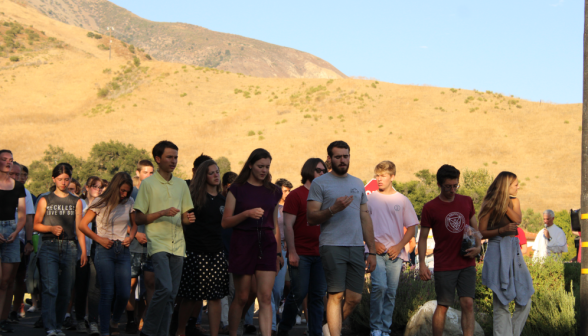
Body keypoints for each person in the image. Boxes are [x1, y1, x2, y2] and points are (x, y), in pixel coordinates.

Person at [307, 141, 377, 336]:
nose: (343, 160)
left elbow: (365, 217)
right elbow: (311, 217)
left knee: (354, 298)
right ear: (329, 159)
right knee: (336, 295)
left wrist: (371, 250)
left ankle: (328, 327)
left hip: (356, 246)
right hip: (331, 245)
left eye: (346, 156)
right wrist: (332, 209)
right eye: (338, 157)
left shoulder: (357, 183)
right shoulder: (320, 183)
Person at [134, 141, 195, 336]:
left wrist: (189, 218)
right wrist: (161, 213)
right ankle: (149, 330)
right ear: (158, 159)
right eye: (169, 157)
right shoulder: (148, 184)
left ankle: (162, 333)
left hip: (178, 245)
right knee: (165, 288)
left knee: (171, 295)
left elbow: (185, 216)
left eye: (175, 157)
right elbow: (138, 217)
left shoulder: (181, 184)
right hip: (158, 243)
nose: (173, 161)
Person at [222, 148, 283, 336]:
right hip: (242, 241)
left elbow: (274, 226)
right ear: (250, 165)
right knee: (241, 296)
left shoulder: (274, 191)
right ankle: (233, 332)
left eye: (267, 167)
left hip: (266, 243)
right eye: (260, 166)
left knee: (265, 296)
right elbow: (225, 222)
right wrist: (246, 214)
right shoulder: (237, 189)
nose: (264, 170)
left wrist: (279, 253)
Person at [418, 164, 481, 336]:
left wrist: (479, 246)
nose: (452, 190)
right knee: (444, 305)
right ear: (439, 185)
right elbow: (422, 238)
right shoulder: (430, 207)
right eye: (448, 186)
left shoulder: (466, 201)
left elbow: (475, 226)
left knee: (467, 303)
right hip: (444, 264)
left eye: (455, 186)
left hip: (466, 261)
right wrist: (422, 263)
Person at [80, 172, 138, 336]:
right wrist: (99, 239)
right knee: (107, 291)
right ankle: (104, 331)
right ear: (115, 187)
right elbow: (83, 225)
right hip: (104, 249)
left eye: (127, 191)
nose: (125, 194)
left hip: (123, 249)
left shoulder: (129, 202)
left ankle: (115, 321)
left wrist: (131, 237)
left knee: (124, 291)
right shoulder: (100, 202)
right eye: (122, 190)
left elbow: (134, 225)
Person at [176, 160, 229, 336]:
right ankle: (180, 331)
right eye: (211, 172)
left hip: (217, 252)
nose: (216, 175)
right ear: (202, 176)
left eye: (217, 172)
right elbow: (184, 222)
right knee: (191, 296)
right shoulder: (193, 197)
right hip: (195, 252)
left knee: (215, 297)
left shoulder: (223, 199)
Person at [34, 163, 86, 336]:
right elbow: (36, 224)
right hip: (49, 246)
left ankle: (58, 325)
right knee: (50, 288)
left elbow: (79, 228)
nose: (63, 182)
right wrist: (50, 228)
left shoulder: (76, 201)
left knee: (65, 289)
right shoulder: (45, 199)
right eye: (60, 179)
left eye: (66, 179)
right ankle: (49, 327)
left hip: (70, 247)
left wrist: (83, 250)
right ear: (53, 179)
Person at [367, 161, 419, 336]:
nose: (379, 179)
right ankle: (375, 327)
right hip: (375, 252)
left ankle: (385, 328)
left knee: (391, 292)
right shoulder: (369, 198)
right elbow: (361, 224)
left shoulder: (402, 200)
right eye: (377, 176)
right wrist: (373, 244)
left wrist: (399, 246)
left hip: (396, 254)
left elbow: (412, 227)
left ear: (392, 177)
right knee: (379, 287)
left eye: (383, 176)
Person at [277, 158, 327, 336]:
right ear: (308, 171)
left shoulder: (324, 195)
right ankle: (284, 327)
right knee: (298, 292)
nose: (323, 173)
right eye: (319, 170)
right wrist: (292, 252)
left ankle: (315, 332)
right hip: (301, 253)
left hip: (321, 253)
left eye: (324, 171)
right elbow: (287, 226)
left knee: (317, 295)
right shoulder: (295, 195)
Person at [479, 172, 533, 336]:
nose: (518, 187)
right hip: (496, 250)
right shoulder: (489, 203)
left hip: (513, 250)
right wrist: (501, 230)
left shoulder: (514, 201)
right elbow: (481, 232)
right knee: (501, 301)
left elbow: (517, 220)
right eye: (515, 184)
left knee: (526, 296)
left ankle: (512, 333)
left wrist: (503, 206)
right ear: (506, 185)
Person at [0, 151, 27, 333]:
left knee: (6, 281)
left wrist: (16, 231)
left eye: (10, 160)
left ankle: (2, 319)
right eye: (4, 160)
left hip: (12, 231)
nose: (8, 163)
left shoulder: (18, 186)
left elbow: (23, 214)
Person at [127, 159, 154, 334]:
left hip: (151, 246)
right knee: (130, 283)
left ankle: (146, 320)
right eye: (146, 172)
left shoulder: (156, 192)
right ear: (138, 173)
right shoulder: (131, 194)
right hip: (133, 246)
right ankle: (130, 319)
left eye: (152, 172)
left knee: (151, 285)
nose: (149, 175)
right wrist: (135, 234)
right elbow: (122, 219)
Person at [75, 176, 103, 335]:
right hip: (82, 249)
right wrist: (83, 251)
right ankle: (79, 318)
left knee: (95, 288)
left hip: (97, 250)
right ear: (87, 187)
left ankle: (93, 321)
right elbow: (79, 227)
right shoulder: (81, 203)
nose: (97, 189)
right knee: (81, 286)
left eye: (100, 187)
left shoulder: (103, 204)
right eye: (94, 186)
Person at [7, 162, 35, 324]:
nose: (18, 178)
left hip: (20, 239)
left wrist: (29, 241)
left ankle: (15, 309)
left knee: (18, 277)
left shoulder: (25, 193)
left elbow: (29, 218)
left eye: (21, 175)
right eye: (14, 174)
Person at [271, 178, 292, 334]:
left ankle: (277, 310)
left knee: (279, 288)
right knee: (268, 289)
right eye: (285, 190)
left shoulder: (291, 208)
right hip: (269, 249)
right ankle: (271, 324)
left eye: (289, 190)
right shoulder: (271, 206)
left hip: (285, 249)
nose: (287, 193)